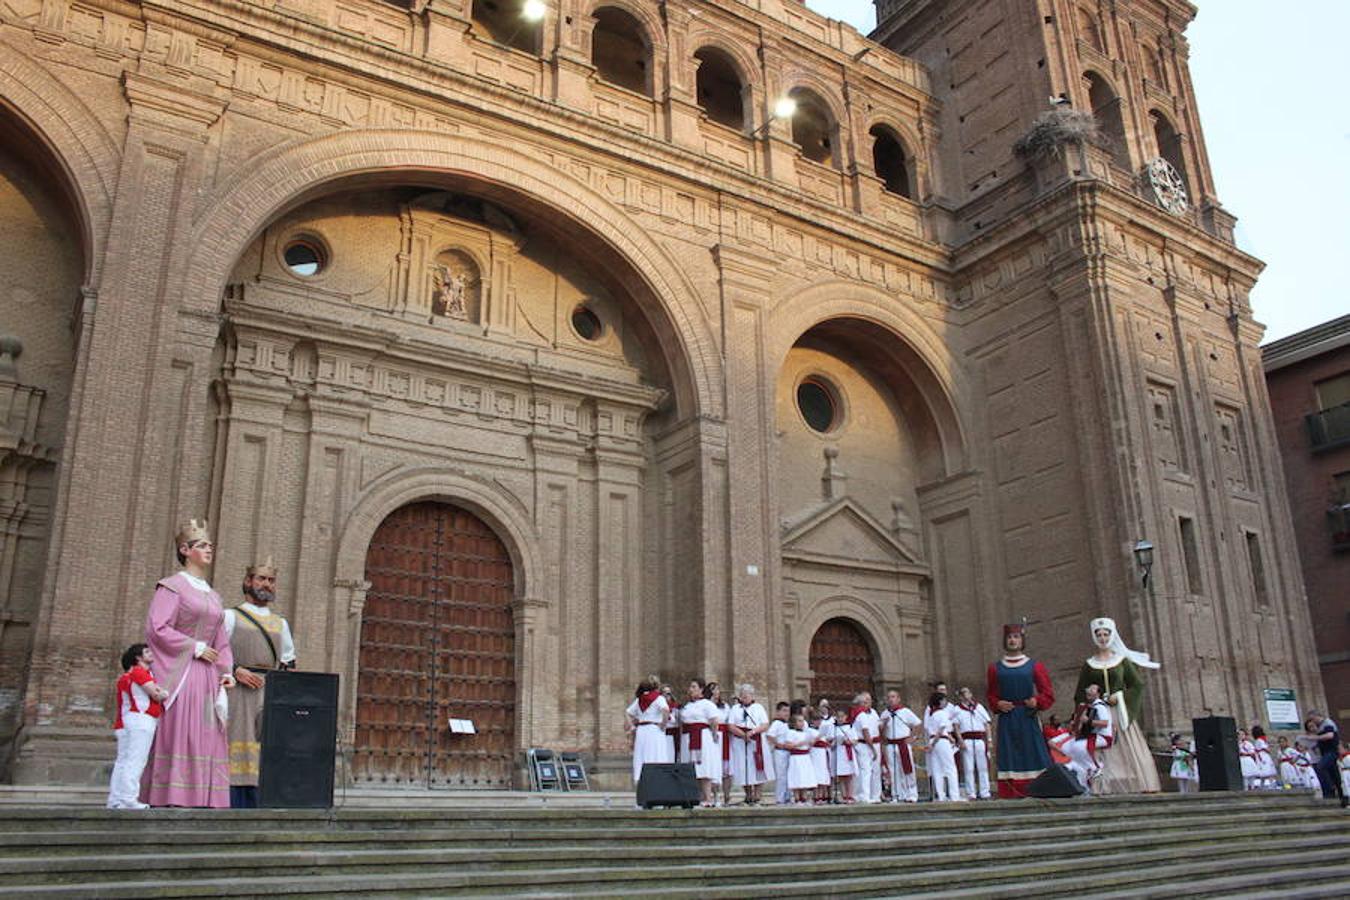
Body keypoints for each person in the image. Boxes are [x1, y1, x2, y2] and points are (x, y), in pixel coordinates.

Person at [141, 520, 235, 808]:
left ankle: (204, 795)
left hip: (208, 676)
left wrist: (226, 670)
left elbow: (221, 639)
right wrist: (194, 646)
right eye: (202, 545)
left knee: (207, 731)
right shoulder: (171, 587)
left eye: (210, 545)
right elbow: (158, 627)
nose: (209, 549)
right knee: (182, 729)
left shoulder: (213, 595)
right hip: (182, 672)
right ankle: (173, 794)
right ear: (185, 550)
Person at [224, 556, 296, 808]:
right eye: (261, 579)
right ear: (248, 581)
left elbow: (288, 661)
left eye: (271, 580)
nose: (267, 584)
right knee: (235, 742)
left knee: (265, 746)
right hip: (236, 691)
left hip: (269, 693)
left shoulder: (280, 624)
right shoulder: (230, 616)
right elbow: (214, 653)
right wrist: (235, 670)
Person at [1074, 617, 1160, 794]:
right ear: (1094, 637)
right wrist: (1088, 704)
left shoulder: (1121, 661)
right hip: (1099, 714)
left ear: (1112, 636)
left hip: (1119, 713)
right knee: (1103, 749)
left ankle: (1135, 783)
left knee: (1126, 747)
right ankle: (1103, 785)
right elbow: (1080, 692)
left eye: (1106, 634)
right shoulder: (1089, 665)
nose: (1103, 638)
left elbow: (1137, 685)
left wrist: (1120, 697)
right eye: (1099, 634)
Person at [986, 623, 1054, 798]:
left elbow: (1048, 693)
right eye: (1009, 637)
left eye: (1016, 637)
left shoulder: (1034, 666)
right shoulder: (995, 668)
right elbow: (991, 694)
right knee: (1009, 754)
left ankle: (1039, 789)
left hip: (1028, 716)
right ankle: (1011, 792)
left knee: (1034, 751)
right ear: (1005, 640)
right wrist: (998, 704)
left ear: (1022, 640)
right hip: (1007, 718)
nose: (1012, 640)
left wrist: (1036, 701)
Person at [106, 643, 168, 810]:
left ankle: (116, 799)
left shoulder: (128, 675)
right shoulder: (140, 672)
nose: (151, 654)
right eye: (147, 652)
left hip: (126, 721)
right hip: (141, 719)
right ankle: (128, 799)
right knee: (136, 760)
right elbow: (156, 694)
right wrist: (164, 693)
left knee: (123, 761)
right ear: (138, 657)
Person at [1060, 683, 1114, 792]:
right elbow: (1083, 726)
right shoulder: (1089, 707)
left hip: (1103, 736)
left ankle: (1095, 767)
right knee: (1069, 747)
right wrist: (1075, 724)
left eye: (1092, 689)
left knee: (1079, 746)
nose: (1088, 690)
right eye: (1088, 688)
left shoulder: (1100, 706)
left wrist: (1088, 721)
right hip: (1092, 735)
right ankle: (1081, 772)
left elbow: (1104, 723)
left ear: (1098, 693)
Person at [726, 683, 772, 805]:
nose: (744, 697)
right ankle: (748, 794)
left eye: (747, 695)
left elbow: (765, 724)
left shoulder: (758, 708)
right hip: (740, 741)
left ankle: (757, 794)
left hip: (756, 740)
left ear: (752, 696)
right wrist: (743, 734)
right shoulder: (735, 709)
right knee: (743, 767)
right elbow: (730, 725)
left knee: (758, 766)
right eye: (742, 695)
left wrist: (752, 732)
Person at [679, 679, 723, 807]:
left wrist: (714, 734)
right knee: (692, 768)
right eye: (690, 686)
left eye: (694, 686)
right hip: (688, 737)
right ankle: (696, 797)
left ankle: (708, 798)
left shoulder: (707, 704)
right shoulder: (687, 705)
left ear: (701, 689)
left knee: (703, 766)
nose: (691, 689)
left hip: (702, 737)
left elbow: (714, 720)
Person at [625, 677, 672, 788]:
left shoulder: (640, 699)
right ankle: (657, 789)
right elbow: (666, 710)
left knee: (641, 757)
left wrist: (632, 726)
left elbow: (628, 712)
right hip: (654, 730)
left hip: (642, 730)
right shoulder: (659, 698)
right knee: (657, 756)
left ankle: (641, 790)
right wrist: (663, 724)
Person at [879, 689, 921, 803]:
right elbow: (880, 731)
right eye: (889, 697)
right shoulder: (885, 714)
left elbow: (917, 724)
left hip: (903, 744)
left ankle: (911, 794)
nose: (891, 699)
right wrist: (884, 725)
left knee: (907, 769)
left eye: (893, 697)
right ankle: (896, 794)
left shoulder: (905, 712)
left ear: (898, 699)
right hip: (891, 744)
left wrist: (913, 737)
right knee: (893, 770)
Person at [923, 683, 962, 802]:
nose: (945, 702)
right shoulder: (941, 713)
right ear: (939, 702)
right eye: (943, 700)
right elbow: (941, 730)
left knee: (937, 769)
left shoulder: (932, 714)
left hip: (934, 740)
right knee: (950, 768)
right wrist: (933, 743)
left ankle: (941, 795)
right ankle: (955, 796)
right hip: (940, 741)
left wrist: (931, 744)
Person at [952, 686, 992, 800]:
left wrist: (989, 740)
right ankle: (971, 792)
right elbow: (956, 726)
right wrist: (960, 740)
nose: (965, 695)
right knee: (968, 767)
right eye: (963, 693)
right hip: (967, 739)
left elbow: (987, 724)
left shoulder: (978, 707)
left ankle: (985, 791)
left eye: (967, 692)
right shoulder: (957, 709)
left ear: (971, 694)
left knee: (983, 766)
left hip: (979, 739)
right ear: (960, 696)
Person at [1303, 711, 1345, 804]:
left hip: (1331, 751)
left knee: (1321, 767)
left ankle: (1330, 788)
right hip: (1325, 752)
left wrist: (1315, 738)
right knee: (1335, 775)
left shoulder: (1327, 723)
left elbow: (1330, 735)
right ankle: (1341, 796)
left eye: (1313, 719)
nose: (1312, 721)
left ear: (1317, 716)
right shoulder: (1321, 726)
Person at [849, 693, 881, 803]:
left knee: (876, 770)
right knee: (865, 770)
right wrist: (872, 748)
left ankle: (876, 795)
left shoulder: (874, 713)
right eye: (865, 701)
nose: (868, 703)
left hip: (875, 742)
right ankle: (864, 795)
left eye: (869, 700)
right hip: (865, 745)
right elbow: (865, 732)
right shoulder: (860, 715)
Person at [706, 682, 733, 806]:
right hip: (712, 736)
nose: (716, 692)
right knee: (713, 766)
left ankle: (727, 796)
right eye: (713, 690)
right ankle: (714, 795)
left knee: (726, 768)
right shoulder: (706, 705)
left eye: (717, 689)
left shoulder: (725, 706)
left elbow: (728, 720)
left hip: (724, 736)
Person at [782, 712, 816, 805]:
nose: (801, 723)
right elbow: (787, 745)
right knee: (796, 777)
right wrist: (798, 744)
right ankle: (797, 798)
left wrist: (811, 742)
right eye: (799, 721)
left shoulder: (806, 733)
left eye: (802, 721)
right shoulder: (791, 733)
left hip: (805, 757)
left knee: (804, 777)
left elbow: (810, 744)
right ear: (794, 723)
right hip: (796, 758)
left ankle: (804, 797)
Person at [766, 701, 792, 805]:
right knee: (781, 776)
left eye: (788, 711)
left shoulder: (788, 724)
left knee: (788, 775)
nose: (787, 713)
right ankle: (780, 798)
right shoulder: (776, 723)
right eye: (784, 711)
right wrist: (778, 744)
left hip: (789, 752)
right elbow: (769, 735)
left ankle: (788, 796)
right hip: (780, 752)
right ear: (778, 712)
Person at [832, 709, 857, 803]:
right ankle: (844, 795)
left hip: (848, 751)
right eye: (838, 717)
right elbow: (830, 740)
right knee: (841, 775)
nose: (840, 719)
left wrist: (849, 742)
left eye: (842, 716)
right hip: (839, 752)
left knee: (849, 775)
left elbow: (855, 740)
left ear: (846, 717)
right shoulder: (834, 728)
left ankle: (850, 794)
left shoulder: (850, 727)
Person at [809, 707, 834, 804]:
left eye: (819, 720)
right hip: (815, 753)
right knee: (816, 775)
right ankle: (816, 796)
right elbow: (810, 741)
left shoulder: (824, 730)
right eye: (816, 720)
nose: (818, 722)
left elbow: (827, 740)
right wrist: (818, 737)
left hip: (823, 753)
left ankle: (824, 795)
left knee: (823, 774)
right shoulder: (810, 730)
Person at [1251, 725, 1276, 791]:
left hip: (1260, 756)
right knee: (1267, 771)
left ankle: (1263, 784)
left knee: (1264, 771)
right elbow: (1266, 749)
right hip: (1263, 756)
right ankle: (1271, 784)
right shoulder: (1260, 740)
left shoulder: (1257, 740)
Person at [661, 684, 680, 762]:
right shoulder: (659, 705)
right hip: (663, 732)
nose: (667, 695)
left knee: (673, 754)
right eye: (665, 693)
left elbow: (677, 720)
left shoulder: (676, 706)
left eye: (668, 693)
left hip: (673, 732)